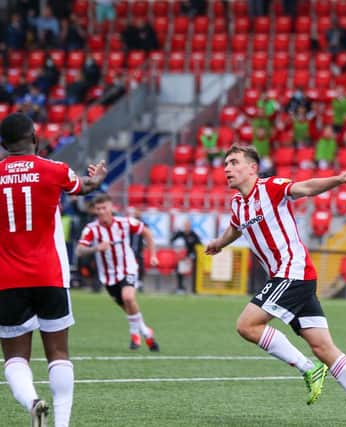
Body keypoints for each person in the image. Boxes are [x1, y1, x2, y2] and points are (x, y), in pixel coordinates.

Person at [205, 145, 346, 426]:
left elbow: (306, 188)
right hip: (290, 277)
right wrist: (219, 243)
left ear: (252, 168)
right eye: (225, 163)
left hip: (293, 272)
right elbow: (235, 227)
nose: (227, 168)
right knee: (324, 347)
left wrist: (338, 179)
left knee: (247, 325)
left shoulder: (271, 187)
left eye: (234, 162)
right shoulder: (237, 204)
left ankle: (307, 368)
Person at [0, 112, 107, 427]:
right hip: (50, 275)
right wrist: (97, 179)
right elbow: (84, 187)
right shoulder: (54, 170)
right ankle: (60, 425)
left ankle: (33, 402)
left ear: (3, 144)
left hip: (7, 279)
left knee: (16, 358)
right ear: (34, 138)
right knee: (58, 353)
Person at [75, 194, 160, 351]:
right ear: (95, 210)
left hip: (128, 267)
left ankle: (134, 335)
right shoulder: (91, 229)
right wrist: (96, 248)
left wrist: (153, 254)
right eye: (98, 209)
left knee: (128, 297)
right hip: (108, 276)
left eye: (104, 208)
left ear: (111, 207)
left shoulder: (125, 223)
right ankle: (146, 332)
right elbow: (79, 250)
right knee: (128, 307)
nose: (101, 211)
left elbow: (147, 232)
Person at [170, 219, 202, 294]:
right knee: (179, 268)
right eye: (185, 226)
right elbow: (172, 240)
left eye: (188, 226)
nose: (186, 227)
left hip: (192, 257)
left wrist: (191, 257)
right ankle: (180, 287)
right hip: (184, 257)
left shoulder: (194, 235)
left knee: (196, 270)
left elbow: (199, 247)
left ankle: (195, 289)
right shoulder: (181, 233)